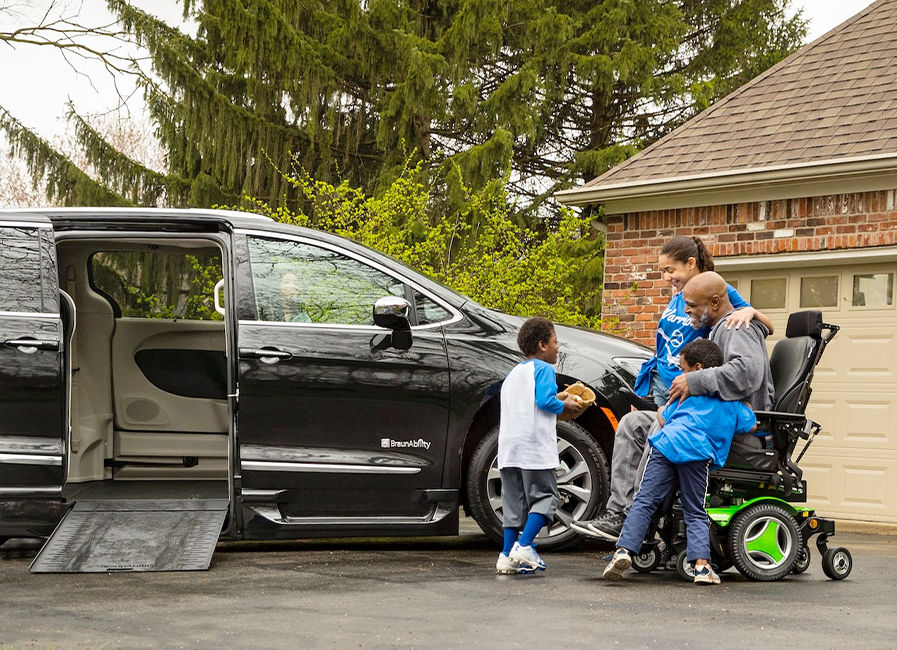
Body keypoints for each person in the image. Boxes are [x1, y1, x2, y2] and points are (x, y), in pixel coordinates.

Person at [574, 271, 774, 541]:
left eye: (692, 305)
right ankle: (620, 513)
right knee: (632, 424)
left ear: (714, 303)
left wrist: (693, 380)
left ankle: (640, 517)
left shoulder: (737, 328)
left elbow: (748, 373)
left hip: (735, 432)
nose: (687, 310)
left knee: (663, 426)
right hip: (706, 424)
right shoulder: (718, 328)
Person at [602, 338, 757, 584]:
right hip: (697, 455)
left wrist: (663, 411)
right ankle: (702, 568)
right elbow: (751, 424)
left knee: (644, 501)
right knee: (694, 510)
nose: (681, 376)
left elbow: (664, 418)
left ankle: (623, 552)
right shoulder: (731, 403)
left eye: (684, 370)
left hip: (666, 447)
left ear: (698, 369)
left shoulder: (688, 395)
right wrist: (746, 406)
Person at [634, 236, 774, 408]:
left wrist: (750, 311)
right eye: (663, 271)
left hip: (687, 386)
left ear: (690, 263)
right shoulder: (679, 293)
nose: (666, 277)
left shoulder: (715, 289)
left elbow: (766, 327)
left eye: (670, 270)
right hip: (660, 380)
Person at [495, 316, 585, 574]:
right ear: (542, 345)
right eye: (556, 342)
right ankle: (524, 545)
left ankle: (506, 555)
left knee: (513, 504)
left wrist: (556, 399)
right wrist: (565, 405)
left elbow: (531, 403)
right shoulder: (544, 369)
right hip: (533, 448)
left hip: (509, 450)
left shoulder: (515, 372)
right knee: (546, 498)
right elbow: (545, 402)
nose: (559, 347)